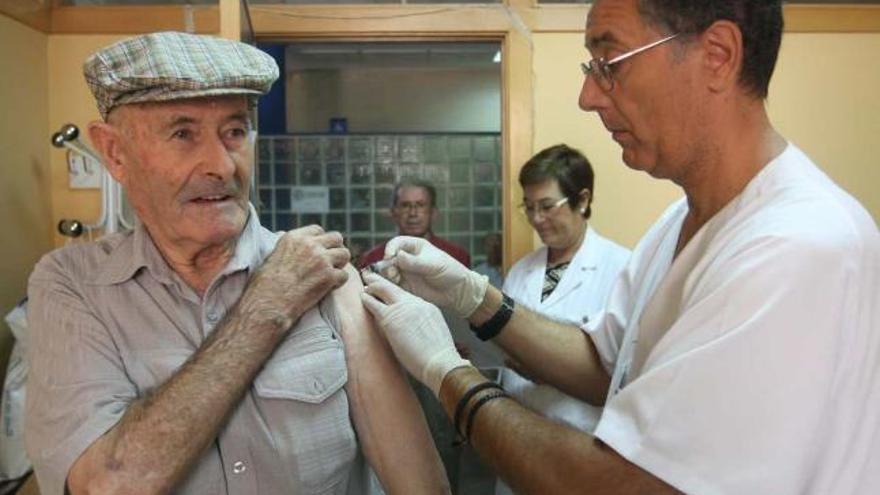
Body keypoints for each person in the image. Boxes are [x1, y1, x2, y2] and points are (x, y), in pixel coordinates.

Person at [360, 1, 880, 493]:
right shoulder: (680, 220)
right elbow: (604, 363)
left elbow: (620, 486)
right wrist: (475, 296)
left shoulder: (797, 245)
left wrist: (444, 370)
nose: (589, 96)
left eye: (610, 62)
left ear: (717, 56)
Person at [25, 32, 447, 495]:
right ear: (114, 152)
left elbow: (420, 486)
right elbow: (108, 485)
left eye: (234, 131)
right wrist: (268, 303)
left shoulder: (327, 276)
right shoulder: (74, 284)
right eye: (182, 133)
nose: (222, 167)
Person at [495, 144, 629, 495]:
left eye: (546, 206)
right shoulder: (522, 272)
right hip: (515, 442)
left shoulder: (621, 268)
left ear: (582, 200)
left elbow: (624, 373)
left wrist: (549, 367)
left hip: (580, 445)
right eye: (529, 207)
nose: (537, 219)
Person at [358, 179, 469, 270]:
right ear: (393, 213)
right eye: (405, 205)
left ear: (433, 212)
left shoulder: (456, 257)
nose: (413, 213)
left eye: (420, 205)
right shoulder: (373, 259)